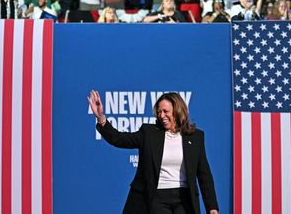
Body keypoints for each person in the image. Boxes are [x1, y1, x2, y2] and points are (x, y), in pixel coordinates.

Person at [88, 90, 219, 214]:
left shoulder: (195, 137)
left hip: (184, 199)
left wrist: (212, 206)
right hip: (157, 198)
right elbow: (120, 139)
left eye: (166, 111)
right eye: (159, 112)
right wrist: (101, 118)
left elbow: (204, 174)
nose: (162, 116)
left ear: (178, 111)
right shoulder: (149, 133)